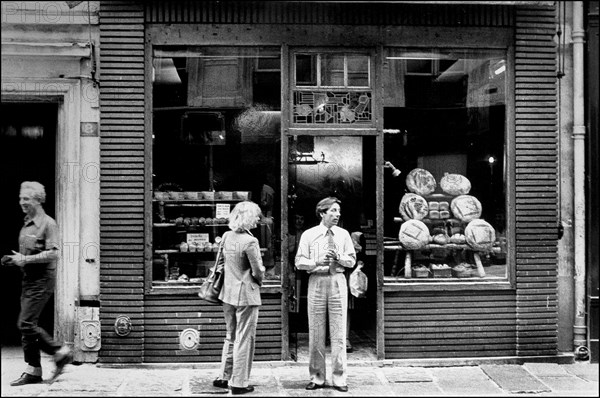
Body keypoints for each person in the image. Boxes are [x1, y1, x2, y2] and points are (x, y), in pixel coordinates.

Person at [2, 181, 72, 386]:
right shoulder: (27, 223)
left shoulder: (48, 223)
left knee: (25, 323)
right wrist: (13, 259)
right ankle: (33, 370)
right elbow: (27, 254)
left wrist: (26, 260)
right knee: (27, 326)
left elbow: (55, 253)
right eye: (20, 198)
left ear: (38, 200)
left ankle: (59, 351)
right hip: (28, 280)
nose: (21, 202)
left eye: (26, 199)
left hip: (42, 281)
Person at [295, 197, 356, 392]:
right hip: (317, 281)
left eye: (338, 211)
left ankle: (340, 378)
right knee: (316, 330)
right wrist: (316, 261)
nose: (337, 215)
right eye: (333, 211)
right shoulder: (309, 235)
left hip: (337, 280)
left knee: (338, 332)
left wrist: (339, 257)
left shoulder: (344, 235)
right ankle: (317, 376)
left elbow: (352, 260)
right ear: (322, 213)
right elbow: (299, 261)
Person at [212, 201, 265, 395]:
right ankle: (240, 382)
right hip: (246, 295)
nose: (259, 219)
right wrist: (262, 277)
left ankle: (224, 376)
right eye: (256, 216)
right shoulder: (251, 241)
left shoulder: (226, 236)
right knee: (245, 338)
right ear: (248, 217)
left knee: (231, 336)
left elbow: (220, 263)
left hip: (227, 293)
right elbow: (257, 270)